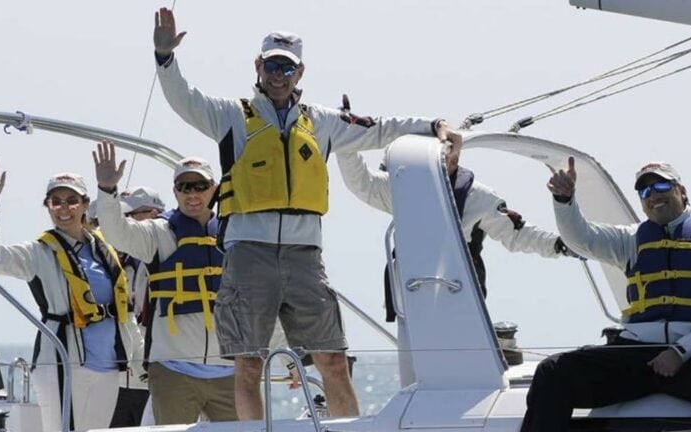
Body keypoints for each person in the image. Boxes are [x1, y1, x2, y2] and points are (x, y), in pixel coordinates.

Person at [152, 7, 463, 420]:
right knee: (248, 363)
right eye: (273, 65)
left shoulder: (322, 121)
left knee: (333, 361)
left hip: (304, 254)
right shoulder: (231, 115)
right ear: (258, 66)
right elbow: (183, 99)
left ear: (300, 73)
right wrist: (165, 58)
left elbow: (379, 127)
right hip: (248, 253)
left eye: (288, 67)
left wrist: (434, 124)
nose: (279, 74)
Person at [337, 141, 573, 385]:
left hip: (460, 296)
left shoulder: (479, 196)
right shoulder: (402, 188)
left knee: (463, 374)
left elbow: (517, 233)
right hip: (411, 297)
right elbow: (362, 183)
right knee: (414, 377)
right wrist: (347, 141)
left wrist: (561, 244)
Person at [520, 158, 691, 431]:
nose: (653, 195)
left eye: (661, 185)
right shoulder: (630, 240)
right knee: (553, 372)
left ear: (682, 190)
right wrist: (564, 200)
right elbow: (581, 239)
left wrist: (680, 351)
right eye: (645, 191)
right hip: (635, 355)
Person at [0, 159, 143, 431]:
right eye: (56, 202)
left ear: (86, 205)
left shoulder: (105, 249)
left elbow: (124, 311)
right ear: (48, 207)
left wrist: (138, 356)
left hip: (109, 366)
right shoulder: (38, 253)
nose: (64, 208)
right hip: (60, 364)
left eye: (72, 200)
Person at [93, 142, 237, 425]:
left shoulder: (234, 234)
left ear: (214, 188)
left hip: (230, 369)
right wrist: (108, 190)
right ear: (175, 192)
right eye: (184, 187)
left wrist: (286, 358)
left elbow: (256, 301)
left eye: (200, 185)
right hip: (173, 368)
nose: (192, 193)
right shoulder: (158, 232)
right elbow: (116, 232)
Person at [109, 186, 166, 428]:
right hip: (115, 379)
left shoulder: (169, 256)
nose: (124, 224)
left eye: (129, 217)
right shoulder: (109, 260)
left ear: (153, 214)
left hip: (153, 375)